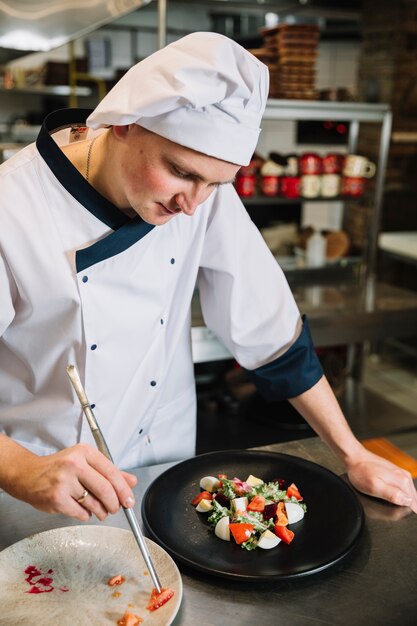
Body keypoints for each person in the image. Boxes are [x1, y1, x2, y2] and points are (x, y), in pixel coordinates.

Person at [0, 32, 416, 523]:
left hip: (163, 467)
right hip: (44, 482)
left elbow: (270, 329)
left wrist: (354, 454)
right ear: (124, 125)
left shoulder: (203, 195)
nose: (192, 204)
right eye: (179, 171)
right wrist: (21, 469)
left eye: (216, 183)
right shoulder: (14, 206)